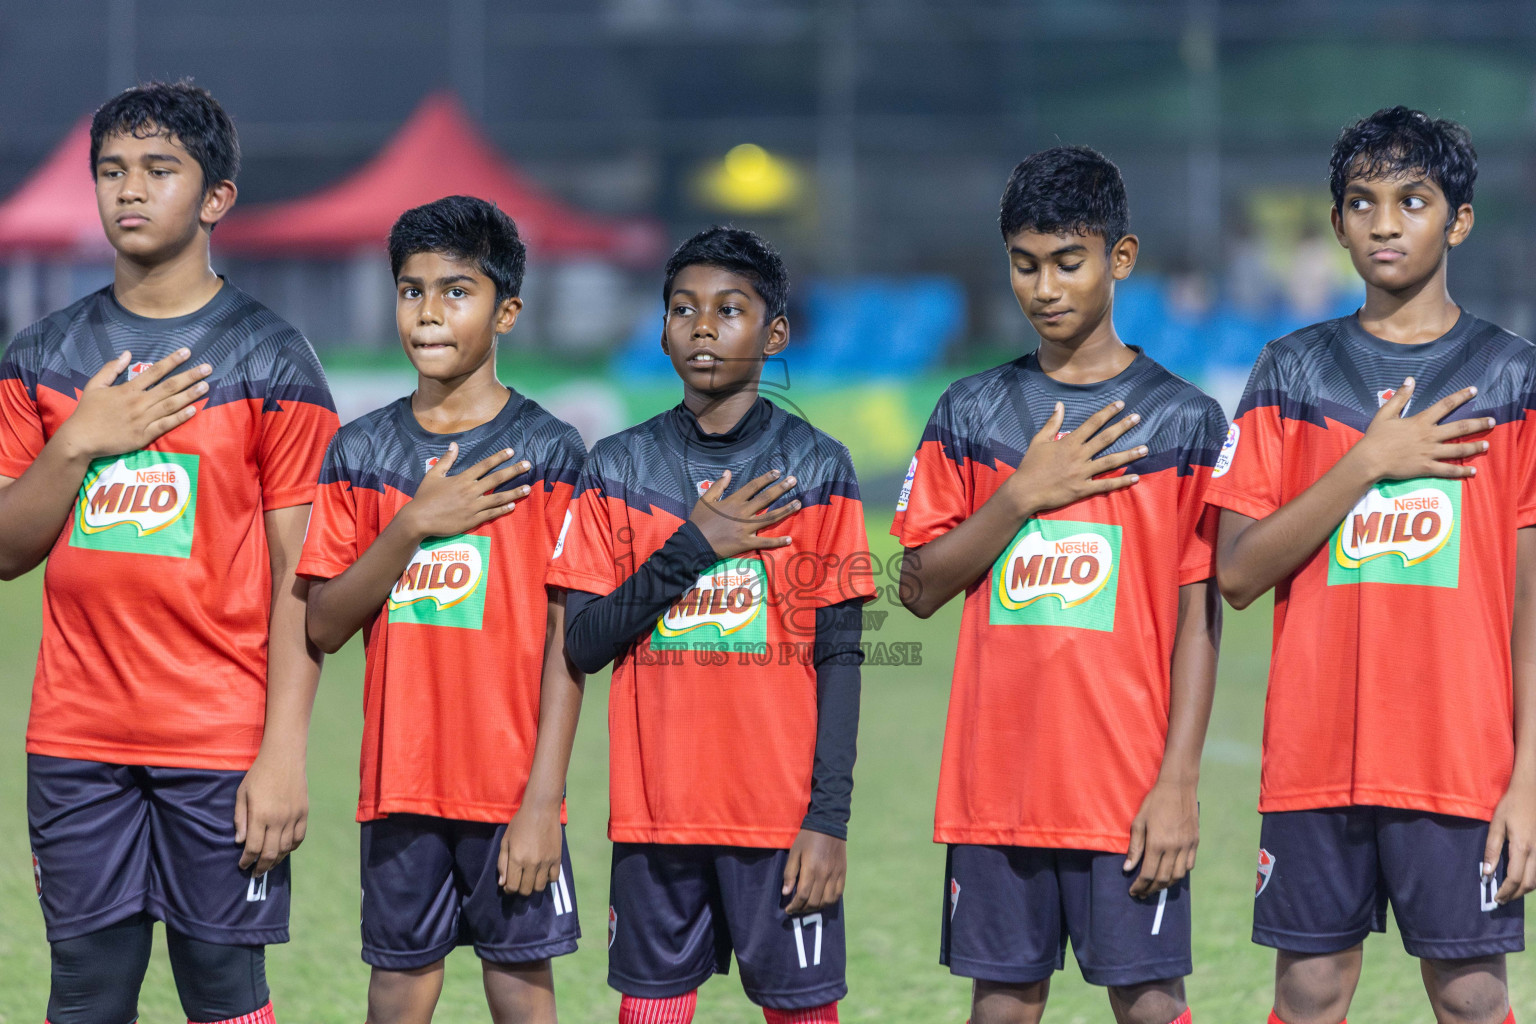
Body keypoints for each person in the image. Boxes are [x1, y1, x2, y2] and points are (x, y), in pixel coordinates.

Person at [0, 81, 337, 1024]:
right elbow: (5, 551)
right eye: (111, 171)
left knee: (225, 993)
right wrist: (78, 442)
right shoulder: (43, 356)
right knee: (86, 994)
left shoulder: (271, 360)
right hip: (74, 740)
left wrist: (281, 756)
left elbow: (300, 579)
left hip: (220, 743)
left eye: (159, 170)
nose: (129, 191)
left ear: (217, 198)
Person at [1209, 106, 1534, 1024]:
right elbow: (1235, 573)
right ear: (1338, 221)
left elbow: (1530, 604)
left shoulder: (1512, 380)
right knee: (1311, 990)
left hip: (1460, 758)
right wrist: (1365, 462)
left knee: (1472, 992)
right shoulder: (1292, 372)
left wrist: (1531, 782)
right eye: (1362, 201)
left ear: (1458, 220)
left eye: (1412, 200)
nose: (1384, 222)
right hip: (1318, 754)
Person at [893, 146, 1226, 1024]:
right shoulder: (972, 413)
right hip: (997, 788)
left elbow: (1200, 619)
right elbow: (917, 585)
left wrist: (1179, 784)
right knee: (1002, 1005)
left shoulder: (1184, 420)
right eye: (1025, 264)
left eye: (1068, 262)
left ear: (1121, 259)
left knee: (1151, 1003)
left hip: (1127, 789)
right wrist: (1020, 497)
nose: (1044, 286)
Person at [548, 226, 875, 1024]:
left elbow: (839, 657)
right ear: (659, 330)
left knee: (801, 1009)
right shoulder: (619, 468)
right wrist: (695, 543)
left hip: (779, 819)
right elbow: (584, 643)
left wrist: (827, 822)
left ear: (774, 335)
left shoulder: (818, 467)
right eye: (684, 309)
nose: (703, 326)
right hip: (658, 815)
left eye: (730, 310)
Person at [296, 196, 587, 1024]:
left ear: (507, 312)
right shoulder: (362, 452)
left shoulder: (551, 452)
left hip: (511, 792)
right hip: (400, 785)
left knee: (521, 986)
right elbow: (323, 624)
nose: (428, 311)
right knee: (396, 987)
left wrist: (544, 802)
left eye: (456, 291)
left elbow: (569, 643)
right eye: (411, 290)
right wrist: (413, 524)